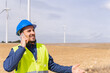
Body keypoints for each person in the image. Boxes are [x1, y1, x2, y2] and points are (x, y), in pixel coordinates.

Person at [3, 19, 85, 73]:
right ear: (21, 35)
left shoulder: (42, 48)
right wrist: (22, 48)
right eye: (29, 31)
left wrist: (70, 69)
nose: (33, 33)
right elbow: (8, 67)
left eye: (33, 30)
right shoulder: (16, 50)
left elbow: (51, 65)